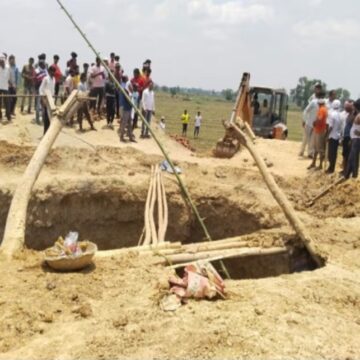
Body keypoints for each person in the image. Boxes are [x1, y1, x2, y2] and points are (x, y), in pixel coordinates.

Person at [308, 97, 328, 170]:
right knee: (317, 148)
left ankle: (319, 165)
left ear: (319, 104)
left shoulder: (322, 110)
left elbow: (319, 119)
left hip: (319, 131)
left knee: (319, 148)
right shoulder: (324, 109)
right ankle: (314, 163)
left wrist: (315, 123)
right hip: (319, 130)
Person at [344, 100, 360, 179]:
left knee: (353, 158)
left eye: (354, 106)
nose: (352, 107)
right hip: (354, 139)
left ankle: (354, 175)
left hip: (357, 139)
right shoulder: (358, 115)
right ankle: (348, 174)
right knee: (352, 157)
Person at [326, 99, 342, 174]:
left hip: (332, 136)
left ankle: (330, 168)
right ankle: (332, 167)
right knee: (334, 153)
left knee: (330, 154)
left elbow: (330, 126)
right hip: (337, 136)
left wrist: (327, 135)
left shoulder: (332, 114)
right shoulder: (340, 114)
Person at [39, 65, 56, 134]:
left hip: (52, 99)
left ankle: (48, 132)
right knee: (46, 116)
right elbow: (41, 89)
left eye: (53, 71)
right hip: (46, 99)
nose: (52, 73)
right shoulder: (45, 79)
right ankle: (45, 132)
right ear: (49, 71)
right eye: (51, 71)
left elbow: (53, 90)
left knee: (51, 117)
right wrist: (43, 99)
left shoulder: (54, 79)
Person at [341, 101, 355, 173]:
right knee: (344, 154)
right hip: (345, 136)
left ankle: (347, 170)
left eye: (347, 107)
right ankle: (344, 169)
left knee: (347, 154)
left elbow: (353, 128)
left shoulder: (353, 116)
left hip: (349, 137)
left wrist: (351, 139)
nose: (345, 109)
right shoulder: (348, 115)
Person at [0, 55, 11, 122]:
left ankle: (8, 116)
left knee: (7, 102)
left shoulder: (8, 67)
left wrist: (12, 84)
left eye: (2, 61)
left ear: (4, 61)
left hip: (6, 87)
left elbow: (9, 77)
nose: (1, 63)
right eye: (0, 61)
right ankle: (0, 116)